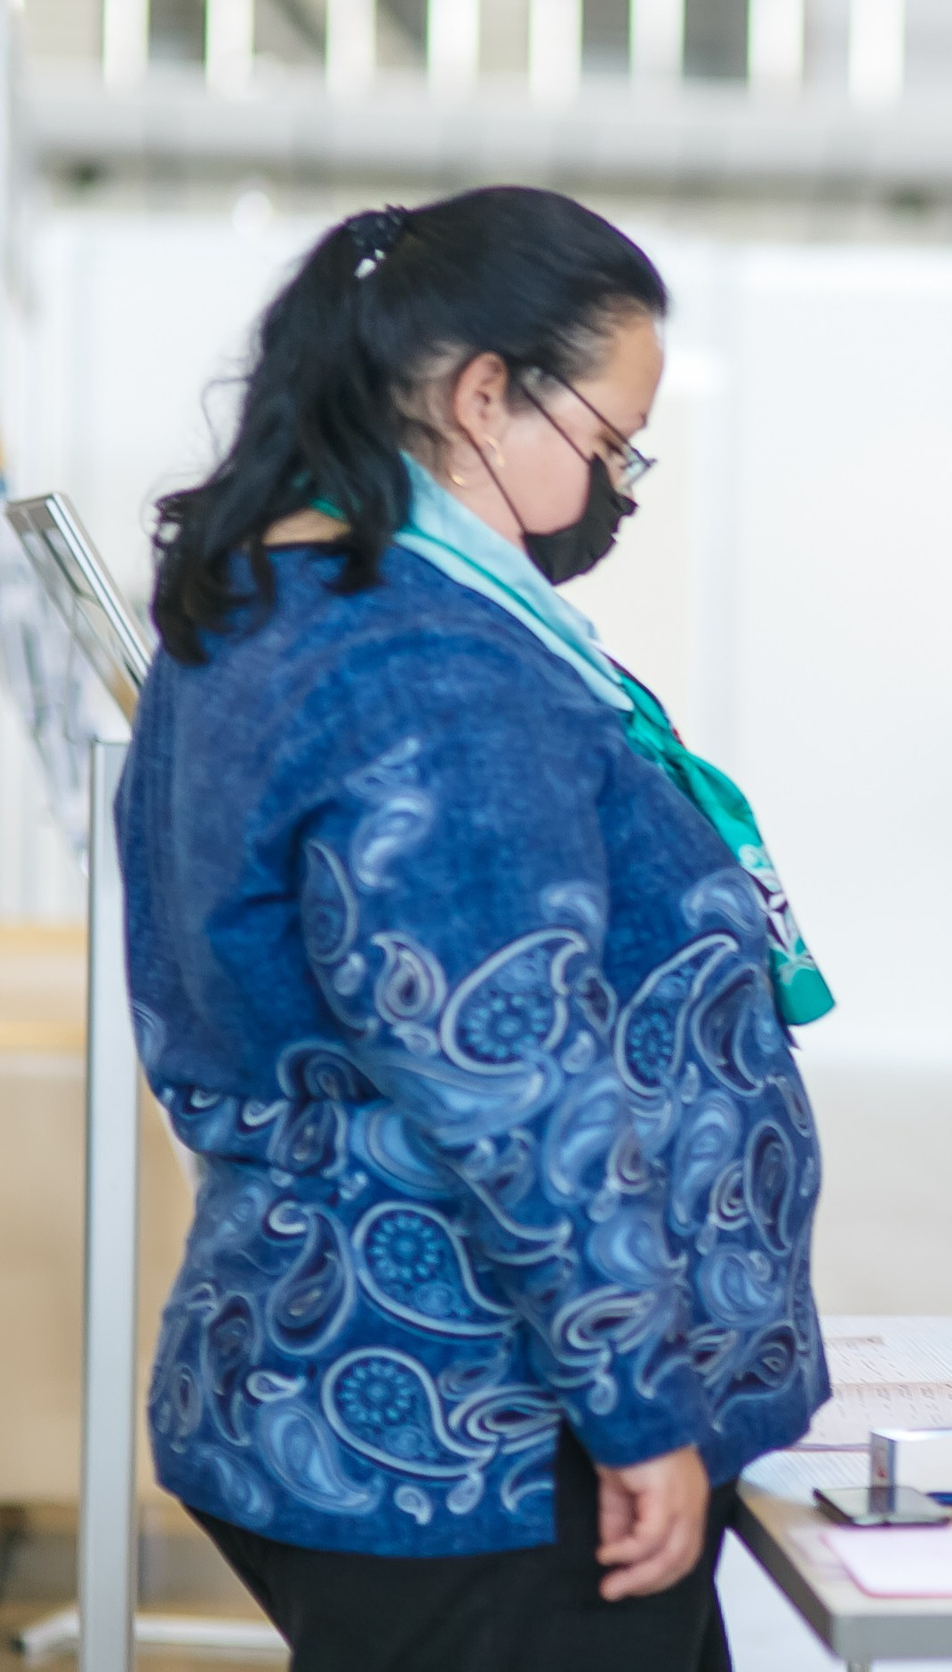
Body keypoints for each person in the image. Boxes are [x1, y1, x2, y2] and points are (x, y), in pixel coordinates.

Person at [121, 188, 834, 1671]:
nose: (618, 486)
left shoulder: (268, 598)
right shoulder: (429, 670)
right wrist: (637, 1402)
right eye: (610, 442)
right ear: (484, 393)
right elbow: (514, 1083)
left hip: (329, 1373)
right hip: (481, 1428)